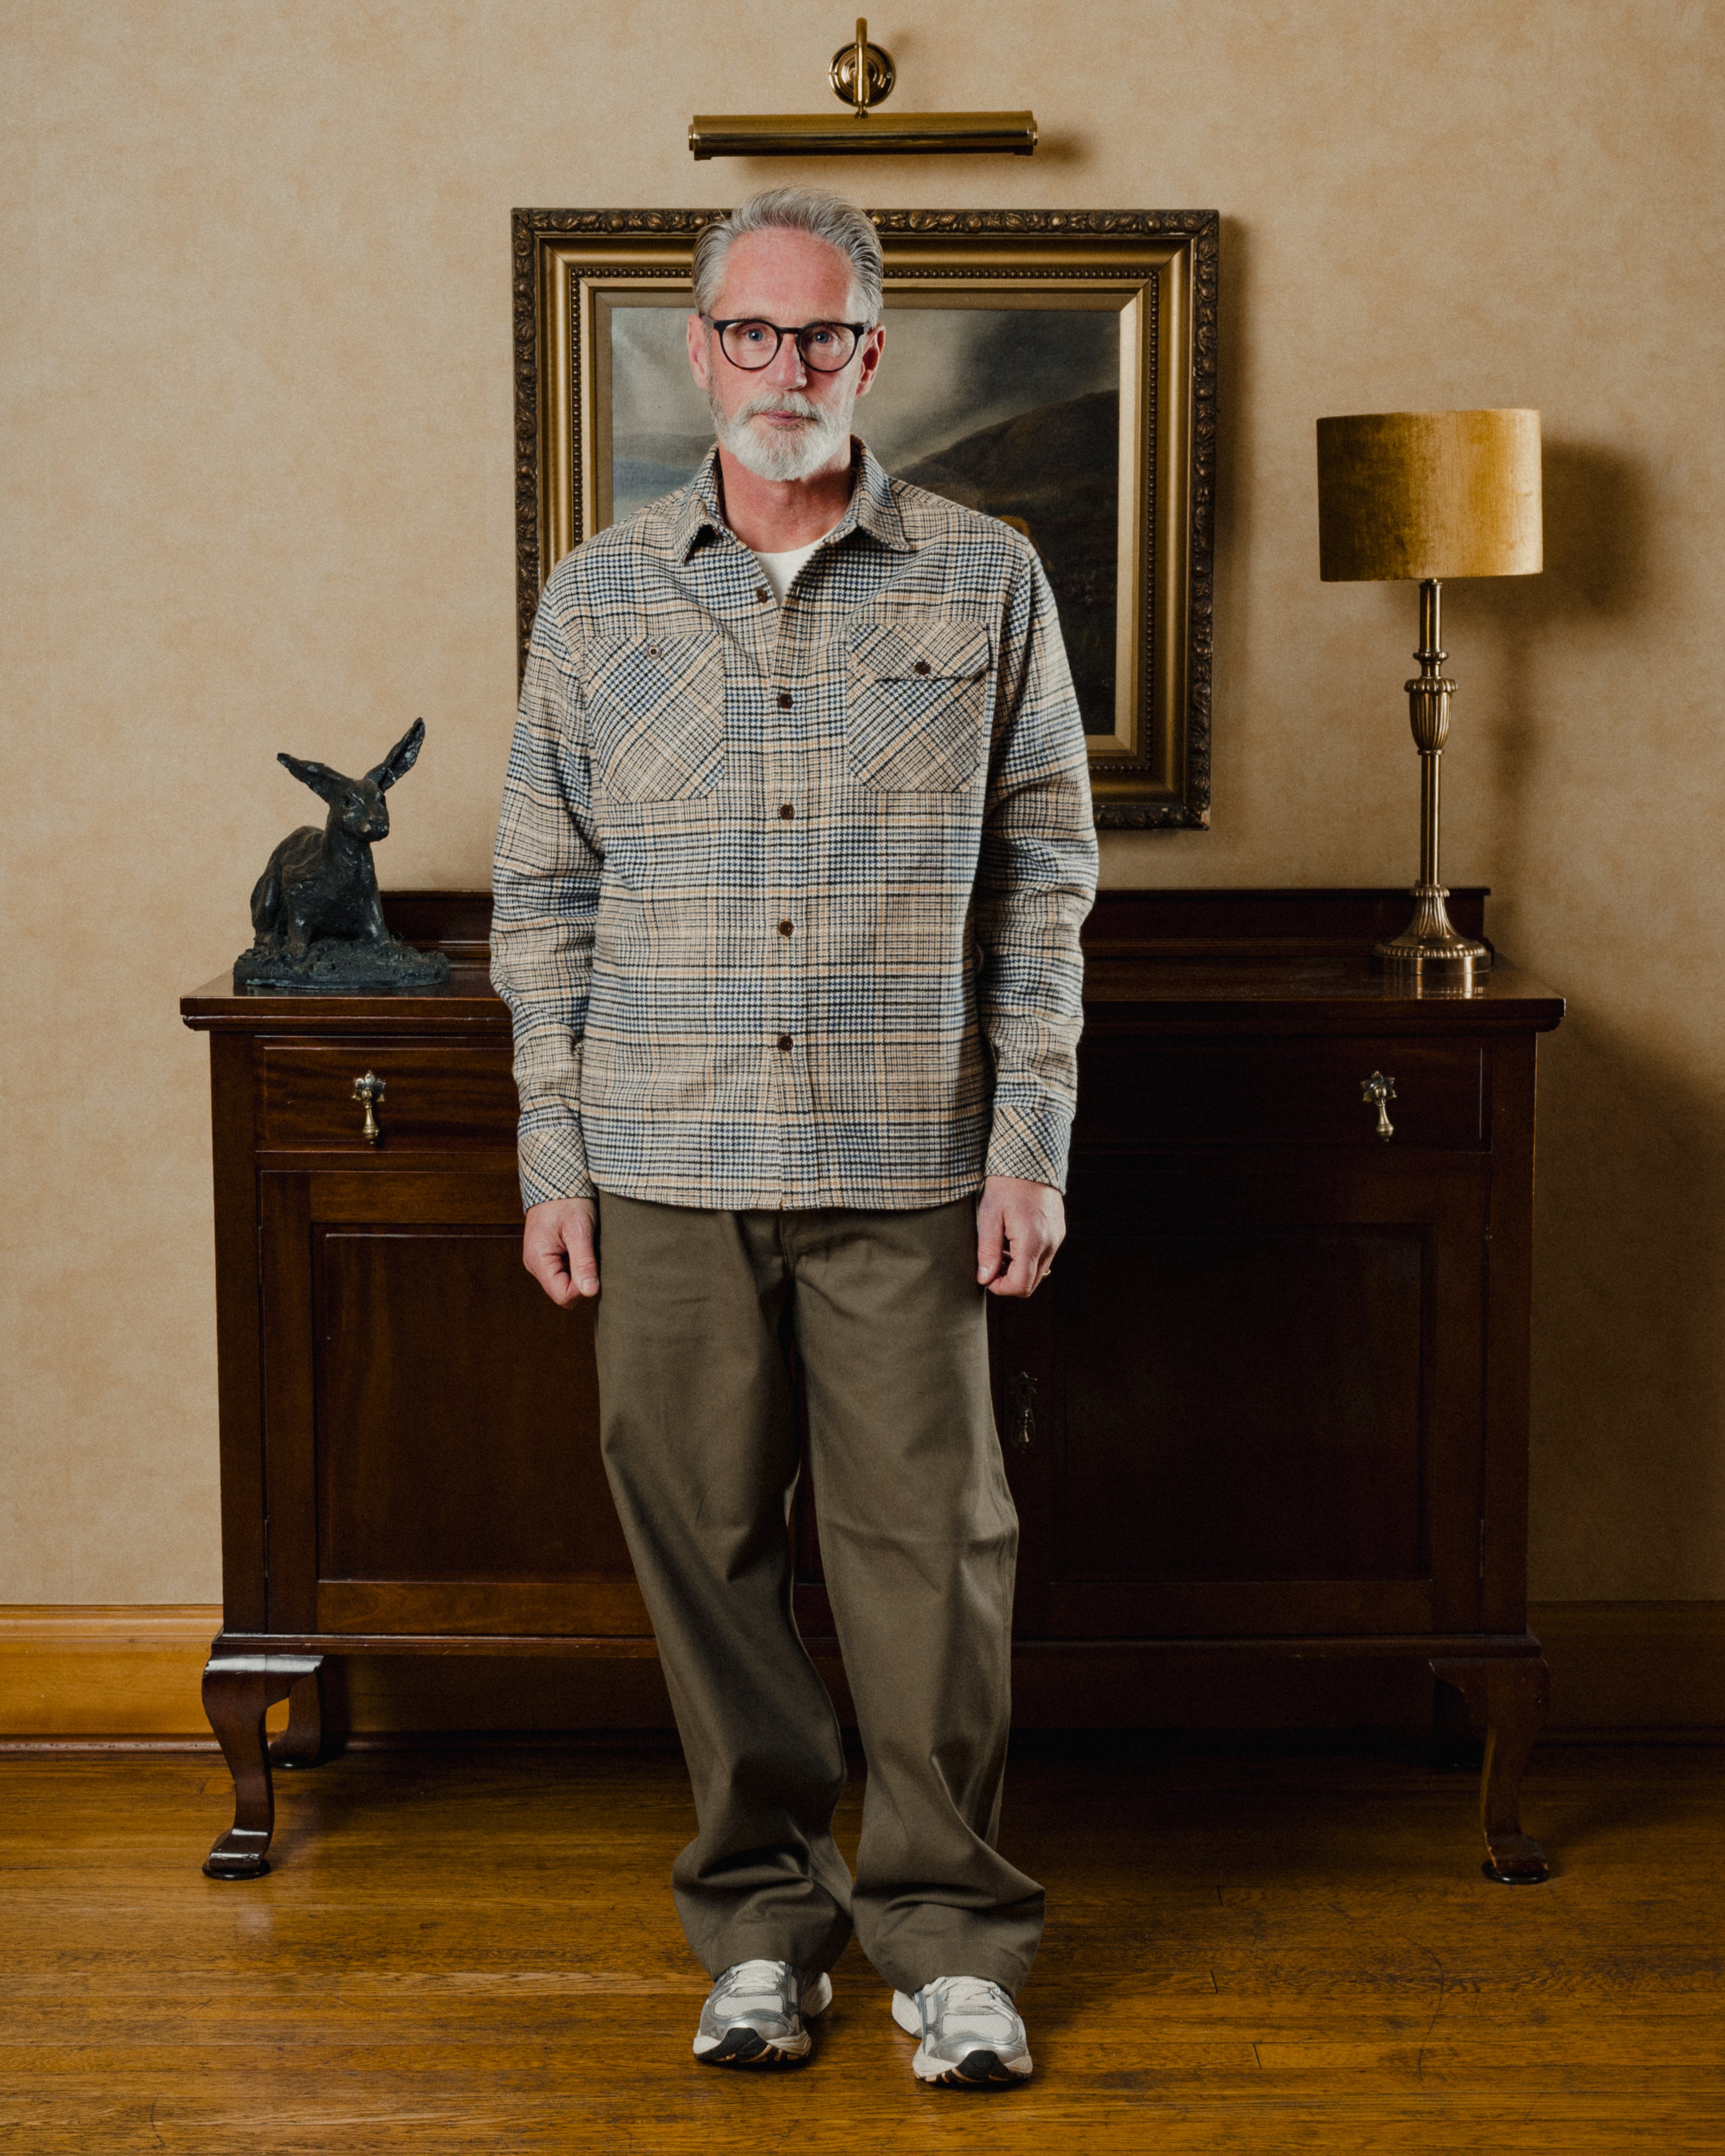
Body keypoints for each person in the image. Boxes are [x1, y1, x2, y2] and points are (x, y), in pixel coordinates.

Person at [491, 185, 1097, 2087]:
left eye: (819, 333)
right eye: (750, 332)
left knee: (934, 1555)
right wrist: (552, 1152)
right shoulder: (597, 596)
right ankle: (761, 1923)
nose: (785, 365)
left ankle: (949, 1936)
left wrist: (1030, 1137)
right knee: (702, 1549)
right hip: (661, 1156)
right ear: (700, 351)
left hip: (908, 1158)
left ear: (868, 354)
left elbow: (1045, 883)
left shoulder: (987, 578)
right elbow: (542, 898)